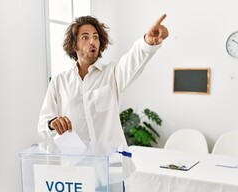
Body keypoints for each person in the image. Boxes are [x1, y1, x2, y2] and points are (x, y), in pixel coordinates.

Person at [38, 14, 168, 178]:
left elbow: (133, 60)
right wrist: (52, 123)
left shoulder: (112, 74)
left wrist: (147, 41)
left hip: (112, 169)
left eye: (96, 37)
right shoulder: (59, 82)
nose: (92, 41)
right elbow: (43, 124)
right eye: (85, 37)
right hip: (77, 171)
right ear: (73, 45)